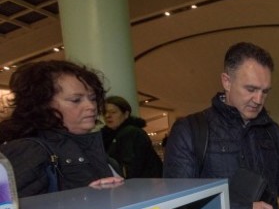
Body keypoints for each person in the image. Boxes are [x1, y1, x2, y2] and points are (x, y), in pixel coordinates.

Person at [163, 42, 279, 209]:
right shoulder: (190, 130)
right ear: (227, 82)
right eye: (250, 89)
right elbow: (178, 202)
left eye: (265, 91)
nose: (258, 100)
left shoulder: (272, 131)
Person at [0, 60, 124, 196]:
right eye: (76, 100)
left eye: (93, 98)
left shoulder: (90, 147)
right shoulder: (29, 150)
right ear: (43, 104)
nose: (91, 106)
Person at [101, 95, 163, 178]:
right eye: (105, 112)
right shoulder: (108, 136)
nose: (107, 115)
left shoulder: (131, 133)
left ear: (126, 114)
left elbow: (130, 167)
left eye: (113, 112)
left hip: (139, 186)